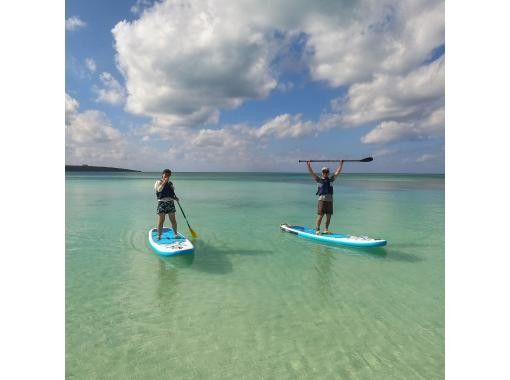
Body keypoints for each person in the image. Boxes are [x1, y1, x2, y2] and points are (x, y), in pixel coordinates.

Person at [306, 160, 344, 234]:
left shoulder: (331, 180)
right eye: (324, 172)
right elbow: (312, 173)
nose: (325, 173)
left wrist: (341, 164)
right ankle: (317, 229)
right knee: (320, 215)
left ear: (328, 173)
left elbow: (337, 173)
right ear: (322, 173)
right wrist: (308, 165)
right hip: (322, 200)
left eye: (326, 172)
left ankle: (326, 229)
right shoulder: (319, 180)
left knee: (329, 216)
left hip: (330, 200)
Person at [154, 169, 180, 240]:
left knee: (173, 220)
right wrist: (164, 183)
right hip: (162, 203)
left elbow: (171, 193)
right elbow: (159, 190)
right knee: (161, 220)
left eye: (168, 175)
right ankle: (159, 236)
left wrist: (175, 198)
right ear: (162, 174)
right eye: (165, 174)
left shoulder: (170, 183)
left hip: (170, 203)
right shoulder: (158, 182)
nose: (167, 176)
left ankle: (175, 234)